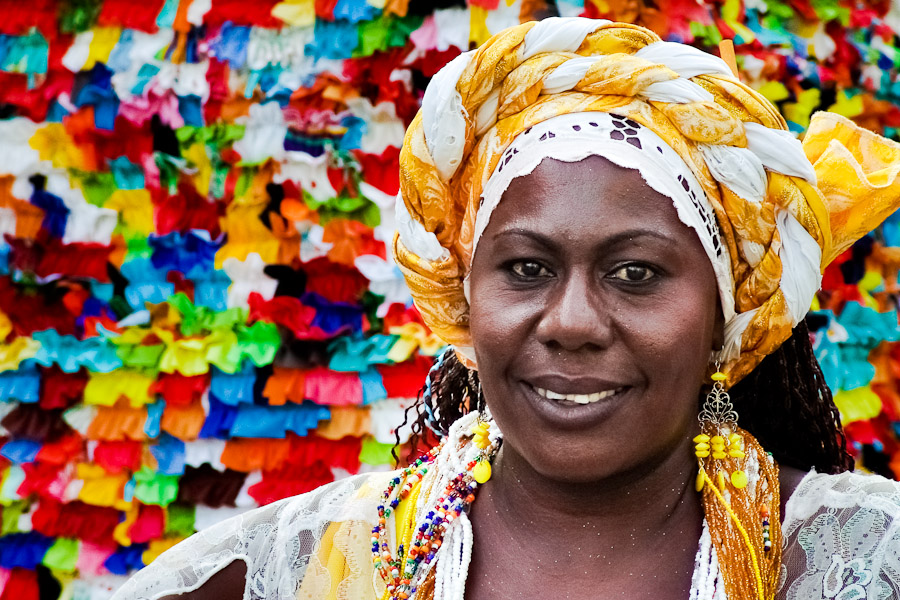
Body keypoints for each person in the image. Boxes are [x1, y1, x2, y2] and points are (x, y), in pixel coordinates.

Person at [112, 18, 900, 600]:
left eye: (634, 272)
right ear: (464, 302)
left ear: (725, 323)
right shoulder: (292, 566)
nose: (571, 322)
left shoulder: (864, 558)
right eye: (526, 268)